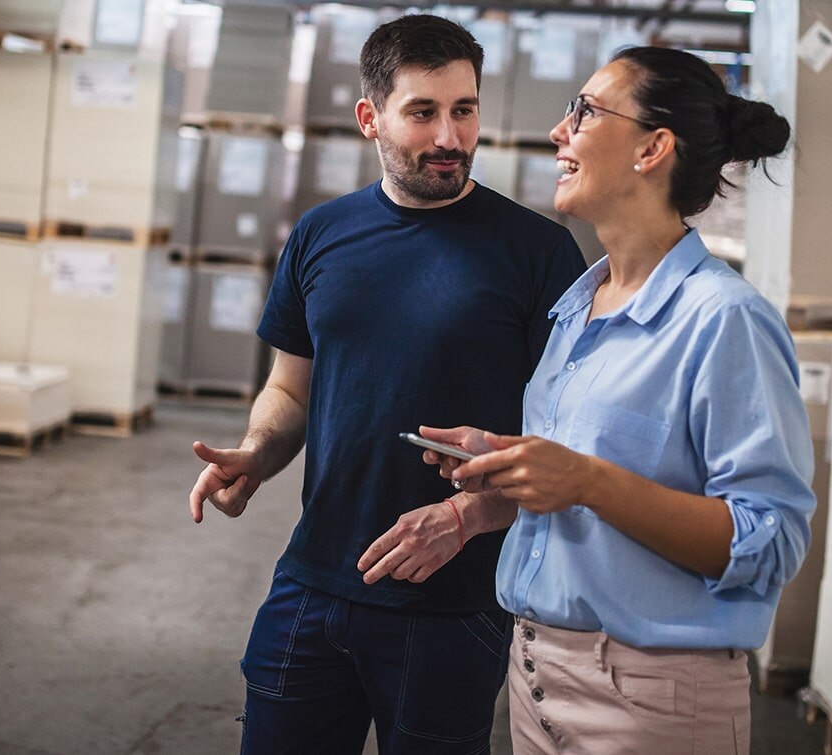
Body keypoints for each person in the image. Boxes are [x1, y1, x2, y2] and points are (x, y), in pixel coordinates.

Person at [186, 14, 586, 754]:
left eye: (463, 110)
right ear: (371, 118)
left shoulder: (538, 253)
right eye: (423, 112)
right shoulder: (321, 234)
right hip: (313, 579)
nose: (449, 137)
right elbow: (290, 389)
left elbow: (567, 441)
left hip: (451, 602)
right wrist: (256, 452)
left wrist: (470, 511)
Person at [419, 46, 814, 754]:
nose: (558, 131)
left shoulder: (723, 320)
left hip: (649, 699)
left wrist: (587, 479)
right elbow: (587, 492)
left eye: (586, 111)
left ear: (652, 149)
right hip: (536, 673)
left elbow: (771, 542)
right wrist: (501, 484)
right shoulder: (579, 310)